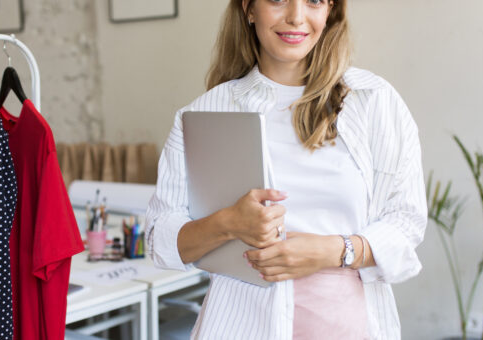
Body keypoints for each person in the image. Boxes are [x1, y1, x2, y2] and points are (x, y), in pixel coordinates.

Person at [145, 0, 427, 339]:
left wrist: (333, 250)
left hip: (347, 326)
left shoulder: (373, 101)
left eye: (314, 1)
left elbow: (406, 223)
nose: (296, 16)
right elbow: (159, 240)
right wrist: (227, 223)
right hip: (239, 326)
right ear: (248, 8)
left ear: (330, 10)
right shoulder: (206, 113)